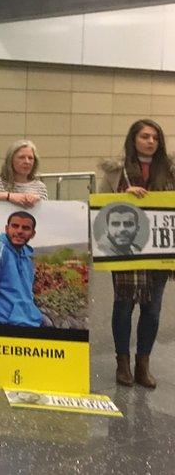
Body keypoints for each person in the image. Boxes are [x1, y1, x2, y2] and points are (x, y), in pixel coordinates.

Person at [99, 119, 174, 388]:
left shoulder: (170, 170)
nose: (150, 141)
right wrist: (123, 195)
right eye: (145, 136)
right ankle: (123, 364)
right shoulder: (115, 172)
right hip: (125, 251)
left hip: (158, 252)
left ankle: (143, 364)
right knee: (123, 308)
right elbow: (101, 209)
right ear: (134, 139)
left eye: (155, 137)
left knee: (152, 311)